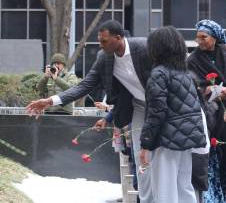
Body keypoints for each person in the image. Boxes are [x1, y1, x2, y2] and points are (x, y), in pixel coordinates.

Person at [26, 19, 155, 203]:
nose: (100, 46)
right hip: (138, 107)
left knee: (159, 158)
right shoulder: (104, 57)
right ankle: (145, 199)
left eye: (104, 41)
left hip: (160, 105)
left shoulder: (143, 47)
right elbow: (85, 85)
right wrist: (50, 100)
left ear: (118, 38)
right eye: (99, 41)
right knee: (141, 156)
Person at [139, 26, 207, 203]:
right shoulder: (185, 74)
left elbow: (156, 112)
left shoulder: (159, 74)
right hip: (186, 141)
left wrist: (146, 144)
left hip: (165, 142)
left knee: (164, 191)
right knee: (184, 187)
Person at [187, 19, 226, 203]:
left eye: (204, 37)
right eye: (198, 37)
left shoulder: (225, 53)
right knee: (216, 157)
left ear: (215, 38)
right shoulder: (192, 60)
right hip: (212, 116)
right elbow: (193, 87)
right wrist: (209, 91)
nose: (200, 41)